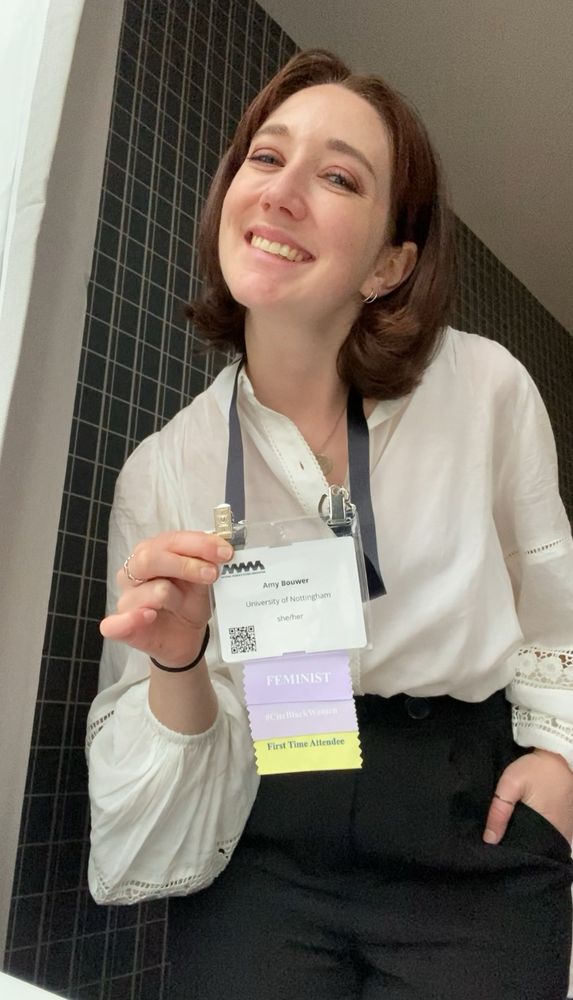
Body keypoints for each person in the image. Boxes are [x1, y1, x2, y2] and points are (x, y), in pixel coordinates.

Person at [87, 49, 573, 1000]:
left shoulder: (483, 389)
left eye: (338, 176)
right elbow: (165, 720)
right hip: (270, 827)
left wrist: (561, 766)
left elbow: (556, 608)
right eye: (264, 159)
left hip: (465, 822)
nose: (281, 193)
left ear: (392, 262)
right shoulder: (165, 466)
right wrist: (181, 659)